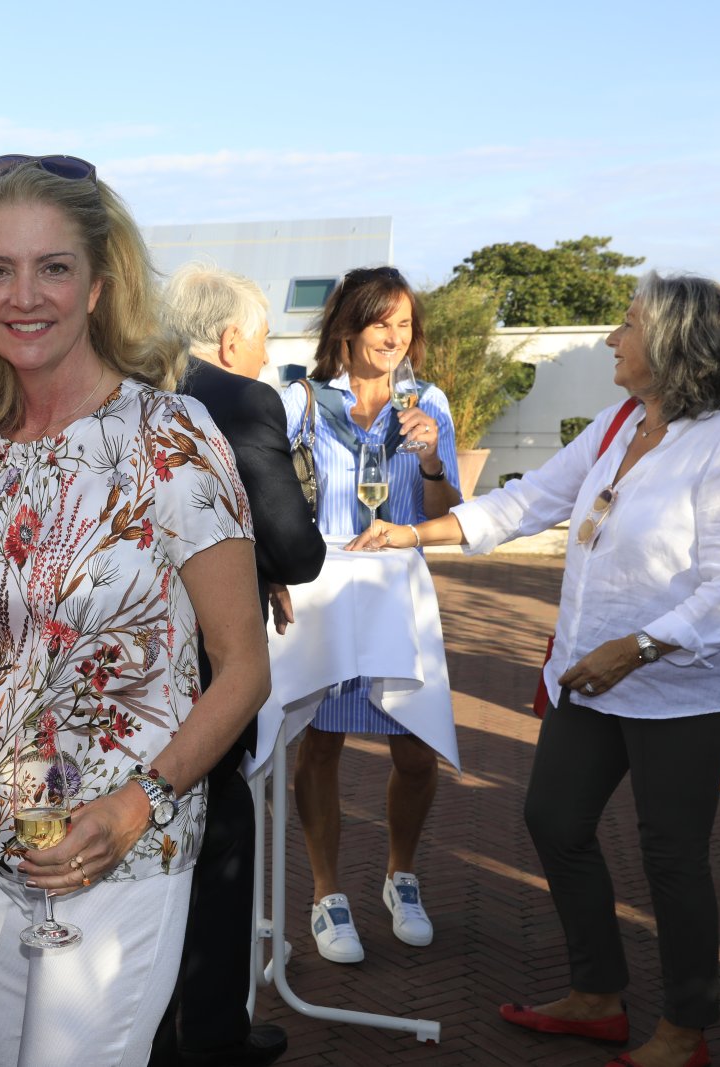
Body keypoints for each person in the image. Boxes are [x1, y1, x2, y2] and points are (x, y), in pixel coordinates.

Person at [0, 155, 271, 1067]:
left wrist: (140, 803)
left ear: (100, 285)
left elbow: (244, 667)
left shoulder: (170, 436)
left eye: (54, 267)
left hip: (117, 856)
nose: (24, 295)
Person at [352, 272, 720, 1067]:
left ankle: (685, 1029)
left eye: (627, 324)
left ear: (676, 344)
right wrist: (416, 532)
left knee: (671, 854)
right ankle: (597, 994)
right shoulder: (618, 423)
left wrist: (639, 646)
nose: (611, 338)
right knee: (555, 819)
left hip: (680, 688)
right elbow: (527, 500)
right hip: (588, 674)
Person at [151, 263, 326, 1067]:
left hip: (119, 669)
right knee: (220, 833)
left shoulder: (120, 383)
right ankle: (212, 1031)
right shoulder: (243, 399)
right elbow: (296, 547)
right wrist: (265, 565)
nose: (263, 354)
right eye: (262, 339)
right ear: (229, 340)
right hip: (206, 667)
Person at [278, 265, 461, 966]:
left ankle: (400, 875)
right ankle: (327, 891)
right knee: (321, 743)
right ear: (348, 328)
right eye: (381, 322)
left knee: (414, 748)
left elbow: (447, 516)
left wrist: (433, 460)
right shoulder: (303, 402)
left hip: (396, 595)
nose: (394, 336)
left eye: (405, 324)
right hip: (326, 593)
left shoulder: (427, 403)